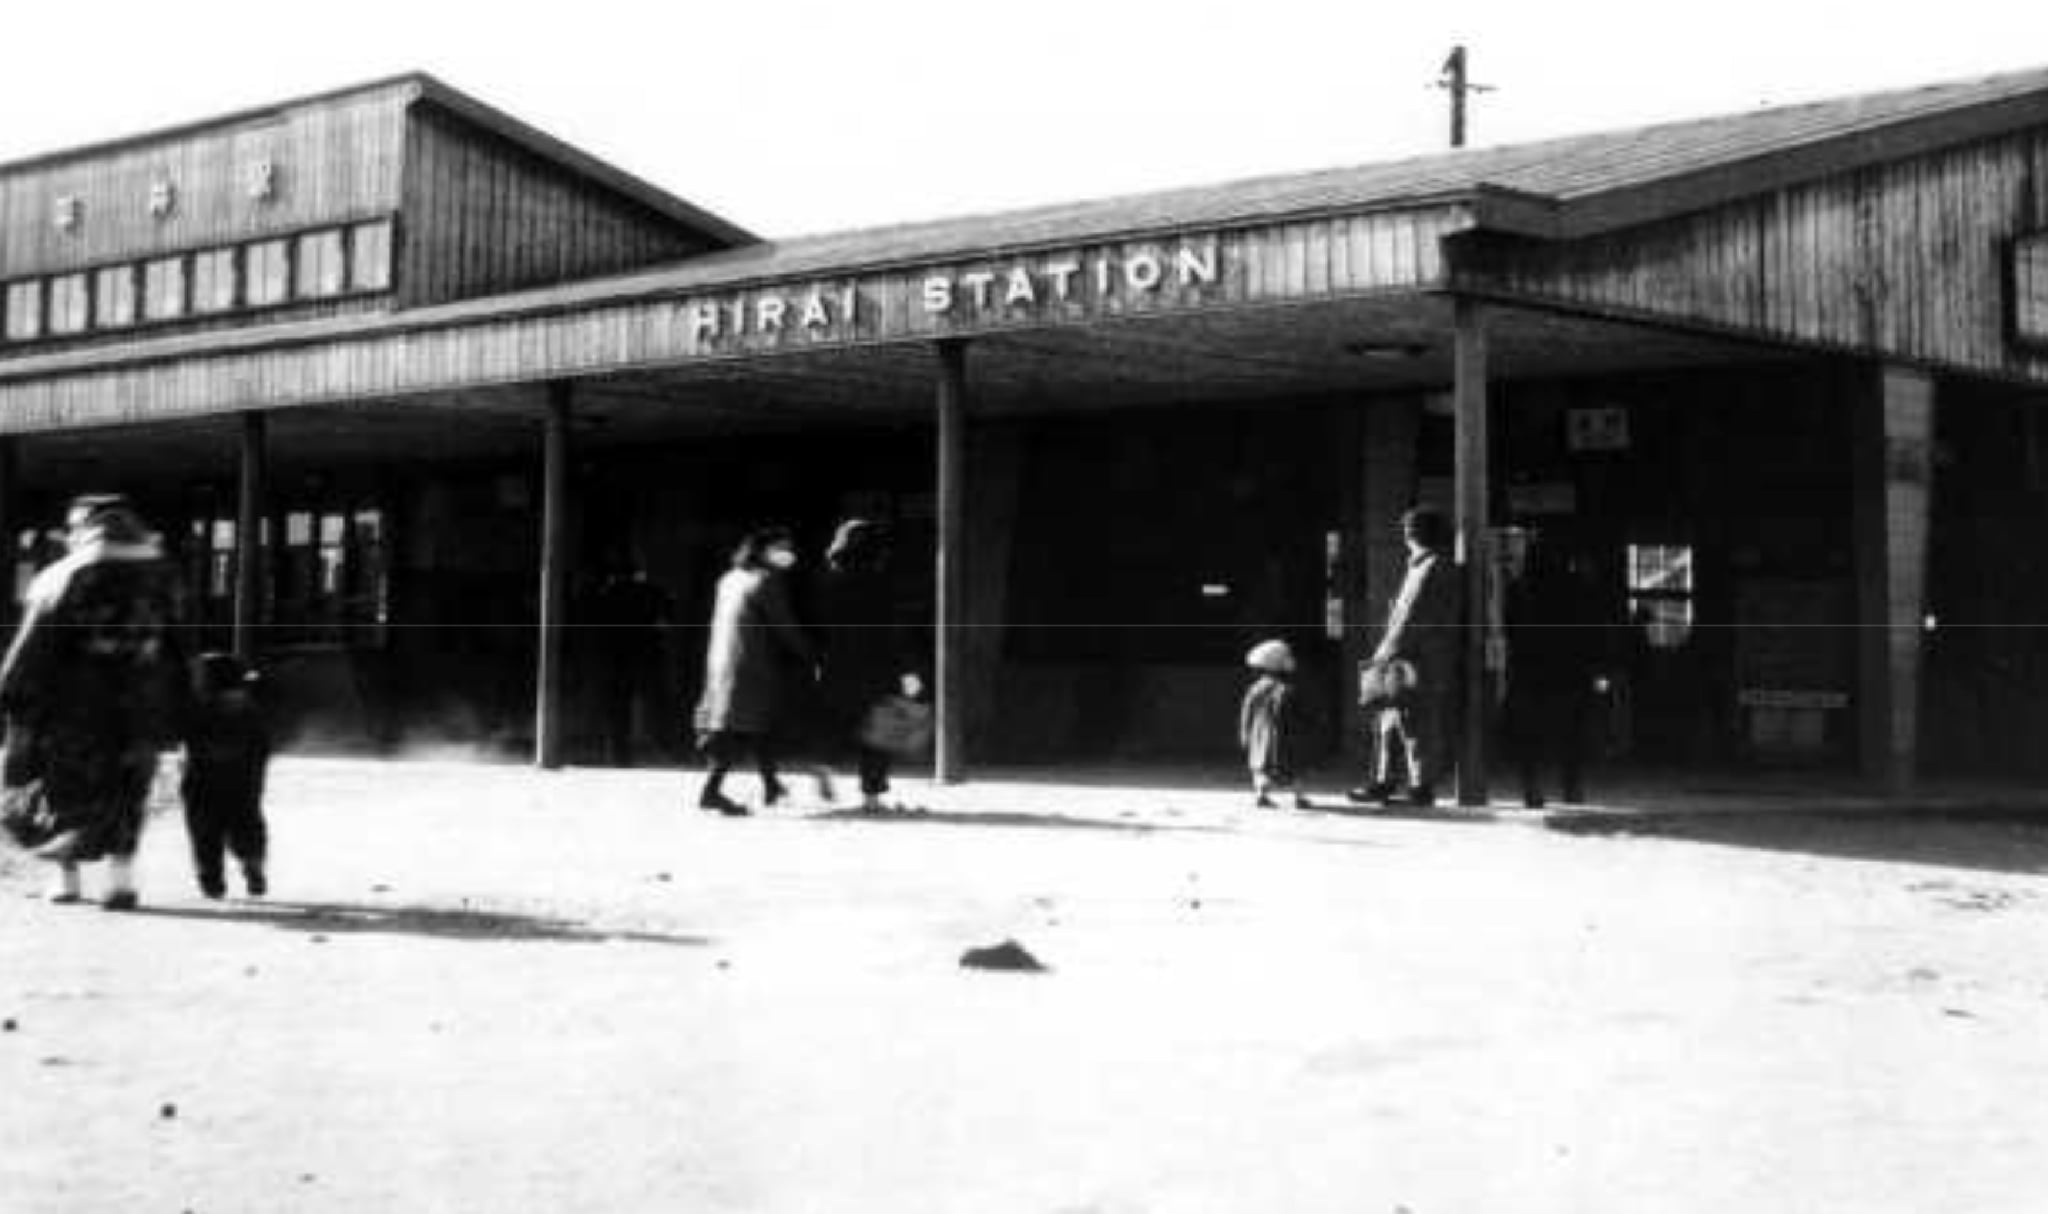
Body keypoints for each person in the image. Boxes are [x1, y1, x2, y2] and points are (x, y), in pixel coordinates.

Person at [0, 495, 185, 910]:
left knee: (67, 789)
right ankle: (121, 882)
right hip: (142, 704)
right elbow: (178, 645)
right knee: (129, 790)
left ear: (82, 528)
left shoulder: (62, 574)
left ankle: (67, 879)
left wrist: (12, 694)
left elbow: (33, 646)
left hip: (74, 709)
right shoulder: (163, 574)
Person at [692, 526, 815, 816]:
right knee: (740, 729)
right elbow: (784, 626)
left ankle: (771, 785)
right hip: (751, 662)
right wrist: (809, 653)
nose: (789, 554)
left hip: (722, 661)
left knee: (756, 726)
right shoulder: (767, 581)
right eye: (781, 549)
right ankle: (711, 791)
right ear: (762, 551)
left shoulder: (729, 579)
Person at [1350, 505, 1463, 809]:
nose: (1404, 535)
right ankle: (1390, 782)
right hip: (1424, 657)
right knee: (1395, 719)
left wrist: (1384, 653)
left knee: (1410, 722)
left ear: (1413, 534)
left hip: (1412, 659)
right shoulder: (1432, 565)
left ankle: (1415, 786)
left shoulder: (1427, 568)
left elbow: (1409, 618)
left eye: (1407, 530)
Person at [815, 519, 925, 813]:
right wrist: (908, 668)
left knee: (840, 722)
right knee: (880, 731)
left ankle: (825, 765)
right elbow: (893, 630)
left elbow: (818, 627)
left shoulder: (828, 580)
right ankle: (872, 796)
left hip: (837, 663)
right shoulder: (880, 582)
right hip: (877, 664)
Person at [1502, 536, 1602, 808]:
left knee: (1529, 732)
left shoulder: (1518, 587)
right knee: (1571, 731)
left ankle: (1532, 788)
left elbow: (1510, 628)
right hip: (1570, 665)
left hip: (1530, 666)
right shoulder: (1577, 585)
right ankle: (1572, 786)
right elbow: (1590, 627)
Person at [181, 651, 272, 898]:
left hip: (203, 777)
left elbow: (187, 736)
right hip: (243, 777)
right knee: (246, 821)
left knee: (204, 829)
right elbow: (262, 745)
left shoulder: (197, 705)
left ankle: (211, 879)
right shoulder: (249, 706)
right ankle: (252, 861)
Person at [589, 559, 673, 767]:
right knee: (655, 704)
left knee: (617, 710)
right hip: (646, 653)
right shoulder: (652, 591)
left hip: (615, 656)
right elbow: (667, 621)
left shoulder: (605, 593)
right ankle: (665, 749)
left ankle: (619, 758)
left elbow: (595, 626)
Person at [1239, 638, 1312, 809]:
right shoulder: (1288, 689)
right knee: (1294, 768)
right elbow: (1299, 715)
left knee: (1260, 767)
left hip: (1259, 736)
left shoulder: (1255, 688)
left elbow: (1246, 713)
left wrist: (1245, 732)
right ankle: (1299, 797)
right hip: (1285, 737)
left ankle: (1261, 795)